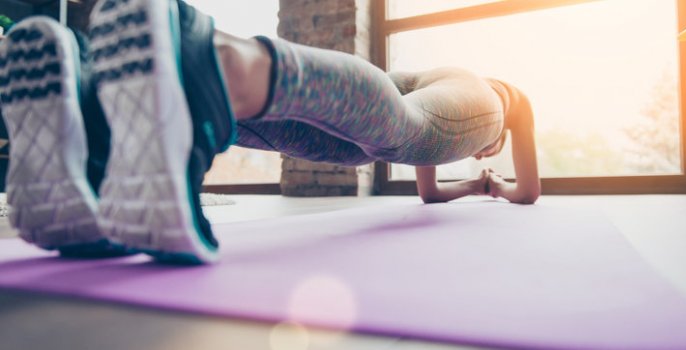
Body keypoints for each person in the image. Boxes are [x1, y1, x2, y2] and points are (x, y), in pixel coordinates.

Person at [0, 0, 539, 264]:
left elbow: (426, 191)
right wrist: (492, 183)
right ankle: (217, 60)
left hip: (406, 87)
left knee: (327, 137)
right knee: (406, 130)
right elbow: (529, 193)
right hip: (469, 93)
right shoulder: (503, 104)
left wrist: (467, 185)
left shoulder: (440, 121)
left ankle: (109, 121)